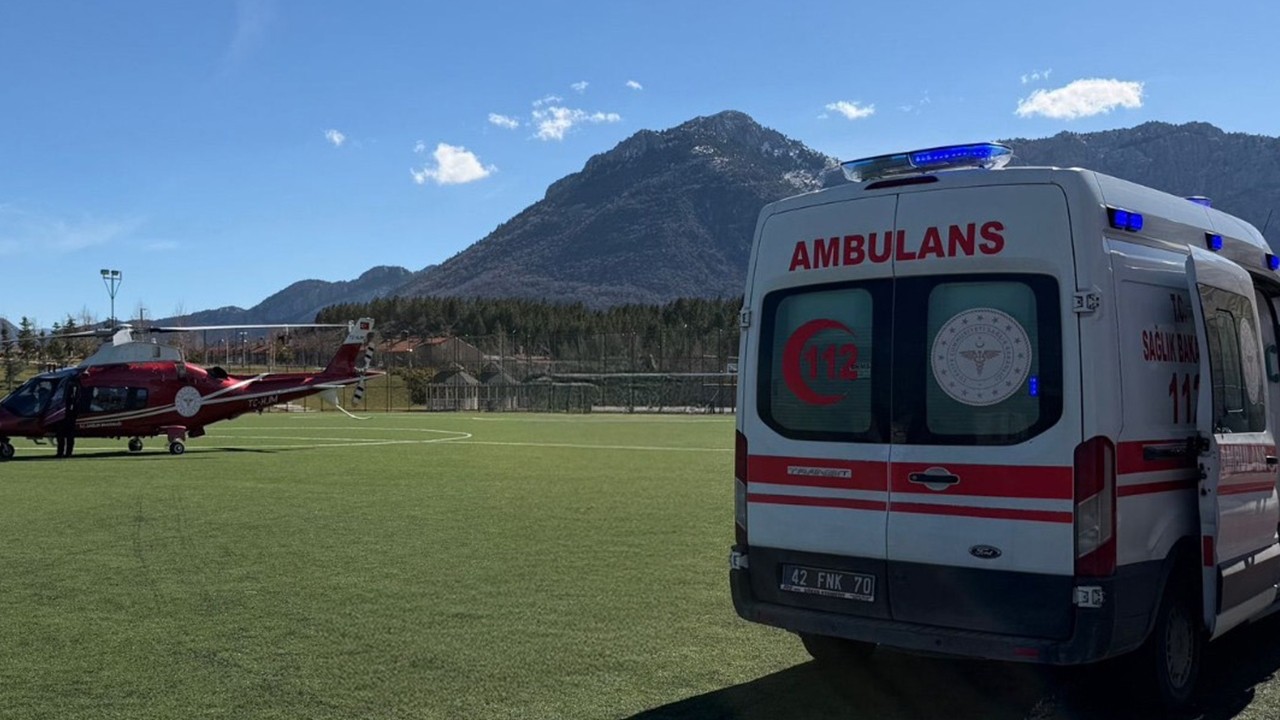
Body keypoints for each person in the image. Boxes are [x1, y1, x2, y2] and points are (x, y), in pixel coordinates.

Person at [55, 377, 81, 458]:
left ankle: (63, 452)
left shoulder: (72, 389)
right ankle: (65, 452)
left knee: (64, 435)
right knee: (65, 436)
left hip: (67, 415)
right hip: (66, 415)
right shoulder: (74, 388)